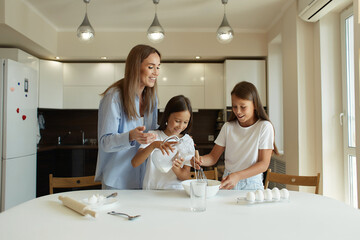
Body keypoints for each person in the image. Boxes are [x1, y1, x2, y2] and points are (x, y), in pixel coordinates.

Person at [95, 44, 161, 189]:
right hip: (118, 180)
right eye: (151, 67)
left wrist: (179, 137)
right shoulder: (114, 97)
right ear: (136, 67)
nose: (156, 72)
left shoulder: (151, 98)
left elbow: (154, 133)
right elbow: (105, 142)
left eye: (158, 67)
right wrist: (131, 136)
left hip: (144, 178)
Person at [194, 81, 278, 190]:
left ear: (255, 105)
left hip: (252, 184)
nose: (238, 111)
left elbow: (263, 164)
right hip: (228, 181)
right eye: (234, 106)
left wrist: (238, 176)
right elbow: (212, 157)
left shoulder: (264, 127)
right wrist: (199, 160)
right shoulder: (228, 127)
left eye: (243, 107)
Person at [131, 95, 194, 190]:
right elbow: (135, 162)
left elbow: (185, 176)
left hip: (175, 192)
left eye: (185, 122)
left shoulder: (187, 141)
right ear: (167, 116)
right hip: (151, 192)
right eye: (177, 121)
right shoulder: (153, 135)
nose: (181, 126)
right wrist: (153, 145)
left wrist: (176, 168)